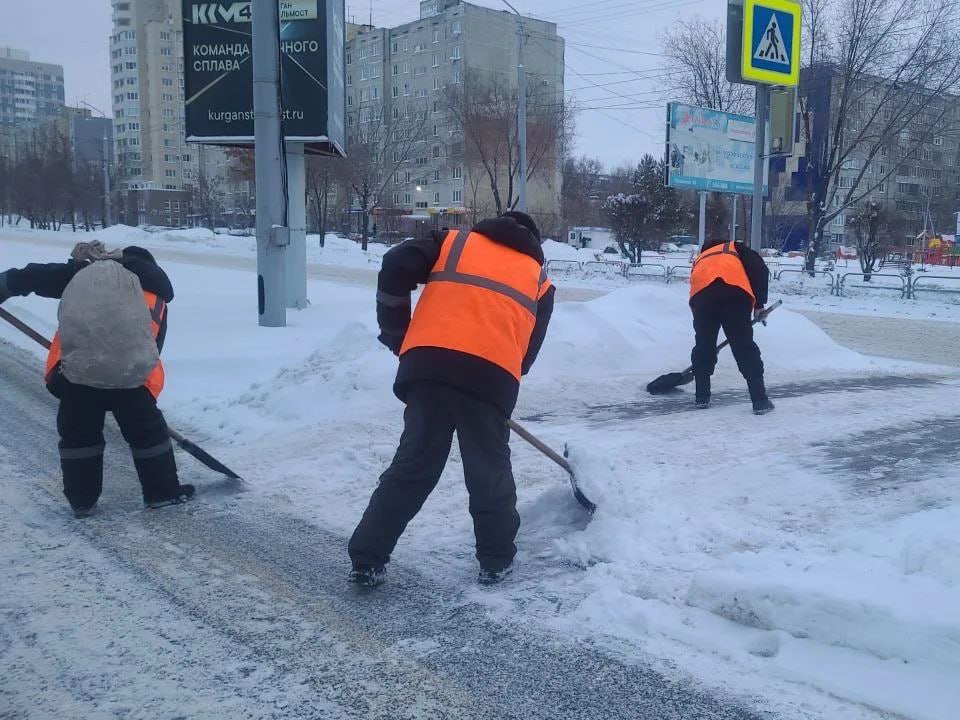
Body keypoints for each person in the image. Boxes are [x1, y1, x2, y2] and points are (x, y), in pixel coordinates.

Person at [348, 211, 555, 587]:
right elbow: (529, 350)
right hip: (490, 379)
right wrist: (497, 379)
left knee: (412, 467)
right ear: (534, 241)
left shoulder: (453, 242)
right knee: (488, 471)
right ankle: (496, 562)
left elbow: (395, 263)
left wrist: (399, 336)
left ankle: (367, 558)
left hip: (428, 366)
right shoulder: (539, 279)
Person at [0, 242, 194, 517]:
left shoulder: (83, 274)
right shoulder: (157, 288)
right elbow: (153, 343)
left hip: (76, 374)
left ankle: (82, 501)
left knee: (79, 436)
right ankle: (162, 493)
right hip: (131, 376)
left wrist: (4, 285)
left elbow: (33, 276)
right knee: (148, 434)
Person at [688, 235, 774, 415]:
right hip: (734, 295)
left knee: (704, 346)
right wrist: (759, 304)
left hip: (702, 298)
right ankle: (759, 400)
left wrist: (706, 329)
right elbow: (760, 270)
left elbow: (694, 284)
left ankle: (701, 397)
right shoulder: (735, 248)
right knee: (743, 346)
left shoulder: (702, 257)